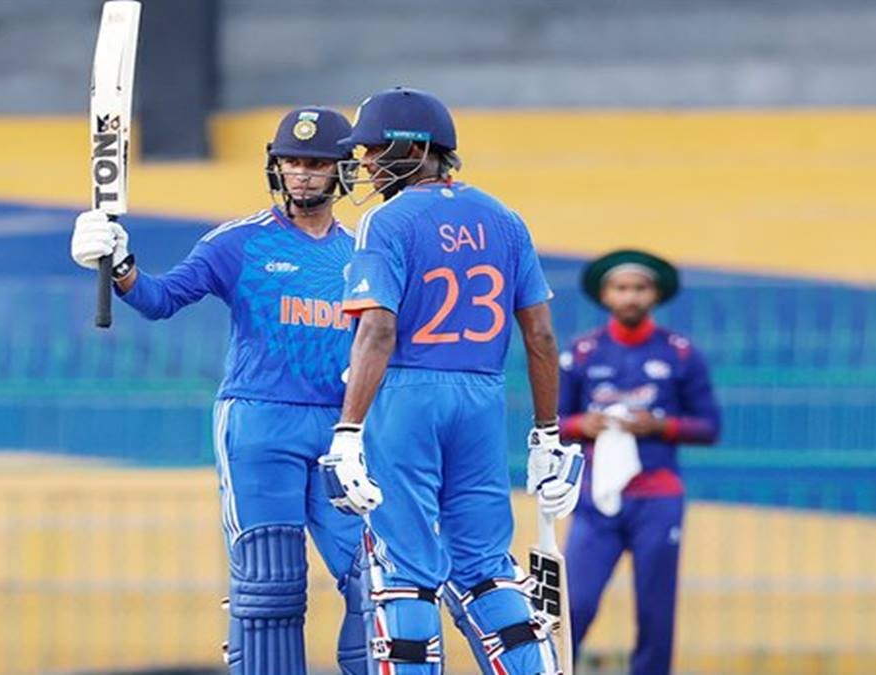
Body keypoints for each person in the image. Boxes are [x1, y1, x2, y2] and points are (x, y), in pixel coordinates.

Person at [69, 107, 367, 675]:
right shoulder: (239, 242)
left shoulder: (361, 251)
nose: (303, 174)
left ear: (341, 171)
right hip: (260, 422)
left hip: (342, 429)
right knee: (271, 583)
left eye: (316, 164)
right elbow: (161, 299)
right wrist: (120, 265)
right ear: (276, 167)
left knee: (374, 578)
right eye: (292, 162)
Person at [318, 86, 584, 675]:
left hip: (406, 396)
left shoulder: (385, 220)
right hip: (482, 398)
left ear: (416, 149)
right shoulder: (504, 218)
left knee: (405, 568)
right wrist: (547, 435)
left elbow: (377, 331)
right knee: (486, 567)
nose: (365, 163)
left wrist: (348, 431)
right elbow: (541, 336)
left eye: (375, 149)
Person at [558, 249, 721, 675]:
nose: (630, 297)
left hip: (657, 495)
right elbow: (552, 422)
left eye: (640, 288)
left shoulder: (679, 354)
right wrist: (582, 424)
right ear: (605, 295)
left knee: (655, 611)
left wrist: (660, 426)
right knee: (574, 603)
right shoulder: (583, 353)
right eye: (621, 288)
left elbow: (709, 426)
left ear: (655, 294)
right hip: (597, 498)